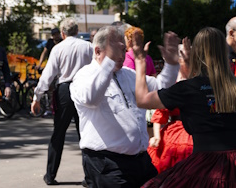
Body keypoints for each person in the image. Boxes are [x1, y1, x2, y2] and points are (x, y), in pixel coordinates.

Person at [134, 27, 236, 187]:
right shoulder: (234, 84)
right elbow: (205, 95)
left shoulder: (188, 88)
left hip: (208, 162)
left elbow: (142, 100)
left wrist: (140, 61)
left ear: (198, 53)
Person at [70, 25, 180, 187]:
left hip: (140, 161)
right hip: (108, 164)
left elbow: (160, 87)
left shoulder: (128, 74)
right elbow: (90, 98)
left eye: (122, 49)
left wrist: (171, 65)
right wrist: (109, 64)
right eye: (115, 48)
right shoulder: (84, 75)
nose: (121, 54)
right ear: (98, 51)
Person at [31, 18, 93, 185]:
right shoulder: (88, 47)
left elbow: (47, 75)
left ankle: (50, 175)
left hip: (65, 90)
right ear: (77, 31)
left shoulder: (58, 48)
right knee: (86, 134)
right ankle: (90, 176)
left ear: (63, 33)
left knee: (58, 133)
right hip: (84, 89)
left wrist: (37, 96)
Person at [147, 43, 193, 174]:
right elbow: (159, 115)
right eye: (185, 58)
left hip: (197, 130)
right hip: (176, 132)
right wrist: (156, 136)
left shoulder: (199, 81)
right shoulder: (172, 84)